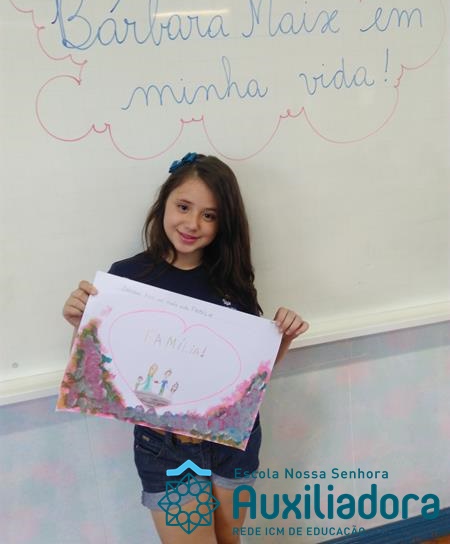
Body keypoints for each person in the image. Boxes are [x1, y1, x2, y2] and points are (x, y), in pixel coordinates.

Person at [62, 153, 309, 544]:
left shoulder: (233, 281)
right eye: (183, 207)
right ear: (164, 203)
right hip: (165, 448)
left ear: (224, 223)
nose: (193, 224)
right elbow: (98, 372)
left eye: (209, 215)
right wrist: (81, 324)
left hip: (231, 442)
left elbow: (249, 380)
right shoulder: (127, 278)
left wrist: (284, 338)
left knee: (230, 540)